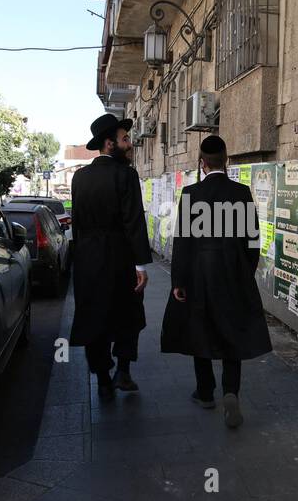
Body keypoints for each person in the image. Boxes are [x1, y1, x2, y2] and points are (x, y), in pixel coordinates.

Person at [160, 135, 272, 428]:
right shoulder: (241, 193)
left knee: (200, 331)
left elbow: (182, 242)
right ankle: (231, 392)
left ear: (202, 164)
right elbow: (252, 241)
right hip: (233, 276)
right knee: (232, 333)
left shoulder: (191, 194)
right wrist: (244, 273)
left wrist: (179, 281)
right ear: (227, 161)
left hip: (198, 276)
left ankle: (205, 391)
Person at [69, 113, 151, 399]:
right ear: (109, 144)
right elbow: (134, 220)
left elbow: (76, 223)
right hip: (121, 257)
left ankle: (103, 378)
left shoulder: (79, 177)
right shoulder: (126, 175)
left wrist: (79, 259)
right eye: (124, 139)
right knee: (128, 314)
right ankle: (123, 372)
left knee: (94, 316)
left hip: (88, 259)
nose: (129, 144)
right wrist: (140, 264)